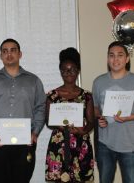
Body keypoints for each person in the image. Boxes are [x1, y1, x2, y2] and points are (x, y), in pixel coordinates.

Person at [0, 38, 46, 183]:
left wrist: (35, 133)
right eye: (5, 51)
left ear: (20, 54)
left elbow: (41, 108)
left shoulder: (33, 80)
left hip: (25, 139)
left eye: (13, 50)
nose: (9, 54)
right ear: (0, 56)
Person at [92, 41, 134, 183]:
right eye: (111, 55)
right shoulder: (98, 82)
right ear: (107, 59)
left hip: (129, 145)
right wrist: (100, 117)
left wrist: (129, 117)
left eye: (120, 55)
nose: (115, 59)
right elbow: (95, 108)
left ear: (127, 58)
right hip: (104, 144)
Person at [45, 47, 95, 182]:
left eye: (72, 69)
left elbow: (91, 122)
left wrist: (82, 130)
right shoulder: (52, 95)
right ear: (60, 71)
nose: (68, 73)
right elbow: (48, 122)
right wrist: (62, 126)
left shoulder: (87, 96)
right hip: (58, 144)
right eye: (65, 70)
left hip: (81, 145)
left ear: (78, 71)